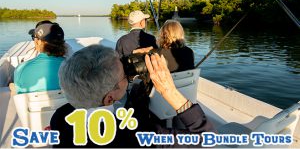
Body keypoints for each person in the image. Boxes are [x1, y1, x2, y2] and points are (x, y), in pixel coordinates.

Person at [50, 45, 214, 148]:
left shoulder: (59, 117)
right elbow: (205, 138)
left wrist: (140, 81)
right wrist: (168, 90)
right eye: (124, 77)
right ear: (109, 98)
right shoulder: (137, 135)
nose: (128, 78)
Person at [13, 22, 66, 94]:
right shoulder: (75, 67)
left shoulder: (21, 68)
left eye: (34, 38)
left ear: (39, 42)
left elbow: (18, 92)